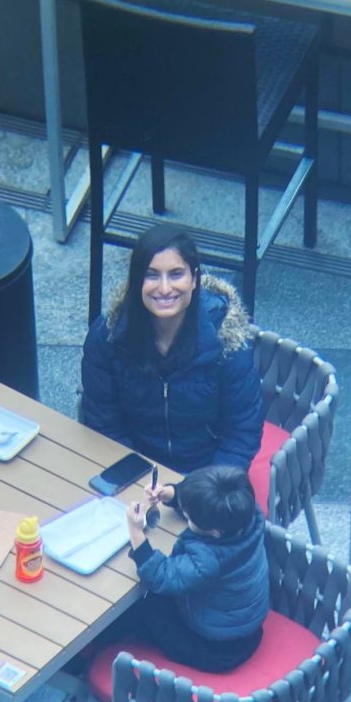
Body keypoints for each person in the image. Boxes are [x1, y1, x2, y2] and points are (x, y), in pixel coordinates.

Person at [81, 224, 263, 474]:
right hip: (135, 466)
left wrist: (197, 489)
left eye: (176, 274)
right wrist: (141, 478)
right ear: (136, 280)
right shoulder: (106, 338)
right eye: (151, 275)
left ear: (194, 279)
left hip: (206, 473)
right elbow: (103, 421)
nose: (165, 288)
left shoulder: (228, 343)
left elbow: (242, 433)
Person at [116, 464, 268, 672]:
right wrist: (170, 494)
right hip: (244, 626)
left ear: (214, 532)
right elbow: (206, 506)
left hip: (216, 649)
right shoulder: (247, 513)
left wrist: (136, 532)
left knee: (143, 609)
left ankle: (90, 657)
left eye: (189, 517)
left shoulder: (208, 561)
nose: (186, 517)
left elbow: (161, 576)